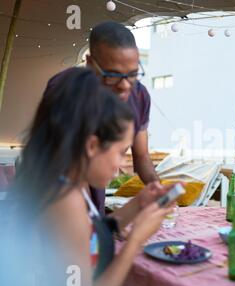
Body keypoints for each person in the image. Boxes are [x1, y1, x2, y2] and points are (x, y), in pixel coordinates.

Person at [6, 68, 174, 286]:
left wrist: (137, 205)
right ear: (92, 145)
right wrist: (135, 241)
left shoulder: (67, 183)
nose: (119, 166)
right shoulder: (65, 202)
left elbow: (90, 235)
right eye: (119, 152)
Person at [44, 21, 158, 214]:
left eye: (132, 75)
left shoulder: (138, 95)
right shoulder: (66, 91)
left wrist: (157, 189)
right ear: (90, 64)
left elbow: (142, 156)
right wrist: (93, 225)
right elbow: (70, 167)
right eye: (112, 75)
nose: (125, 86)